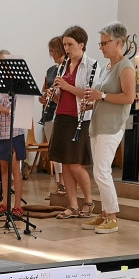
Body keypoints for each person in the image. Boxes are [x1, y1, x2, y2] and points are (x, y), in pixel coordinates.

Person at [81, 22, 135, 234]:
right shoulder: (106, 68)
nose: (101, 47)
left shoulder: (126, 67)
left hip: (112, 126)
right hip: (98, 124)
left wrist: (101, 96)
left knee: (101, 171)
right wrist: (92, 102)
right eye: (100, 43)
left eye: (105, 43)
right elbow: (102, 97)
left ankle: (112, 216)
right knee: (99, 171)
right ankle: (104, 214)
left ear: (119, 42)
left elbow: (129, 97)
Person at [50, 26, 98, 220]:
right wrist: (52, 95)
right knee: (65, 163)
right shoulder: (63, 65)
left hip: (79, 119)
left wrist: (67, 86)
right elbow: (61, 96)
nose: (66, 49)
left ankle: (89, 201)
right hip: (62, 116)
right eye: (64, 45)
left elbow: (89, 95)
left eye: (70, 44)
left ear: (82, 44)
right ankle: (72, 205)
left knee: (76, 164)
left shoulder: (92, 65)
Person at [0, 50, 28, 216]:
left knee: (15, 169)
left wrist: (2, 109)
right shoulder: (0, 86)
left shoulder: (19, 84)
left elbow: (19, 112)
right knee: (3, 169)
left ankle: (17, 205)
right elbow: (0, 109)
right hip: (0, 132)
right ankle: (5, 203)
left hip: (15, 132)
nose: (1, 65)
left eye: (3, 62)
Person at [38, 36, 67, 200]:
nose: (52, 54)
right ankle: (58, 185)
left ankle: (63, 184)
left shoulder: (67, 68)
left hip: (61, 113)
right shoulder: (50, 70)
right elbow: (45, 89)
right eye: (50, 51)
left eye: (54, 50)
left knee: (60, 151)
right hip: (49, 113)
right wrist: (43, 98)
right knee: (53, 151)